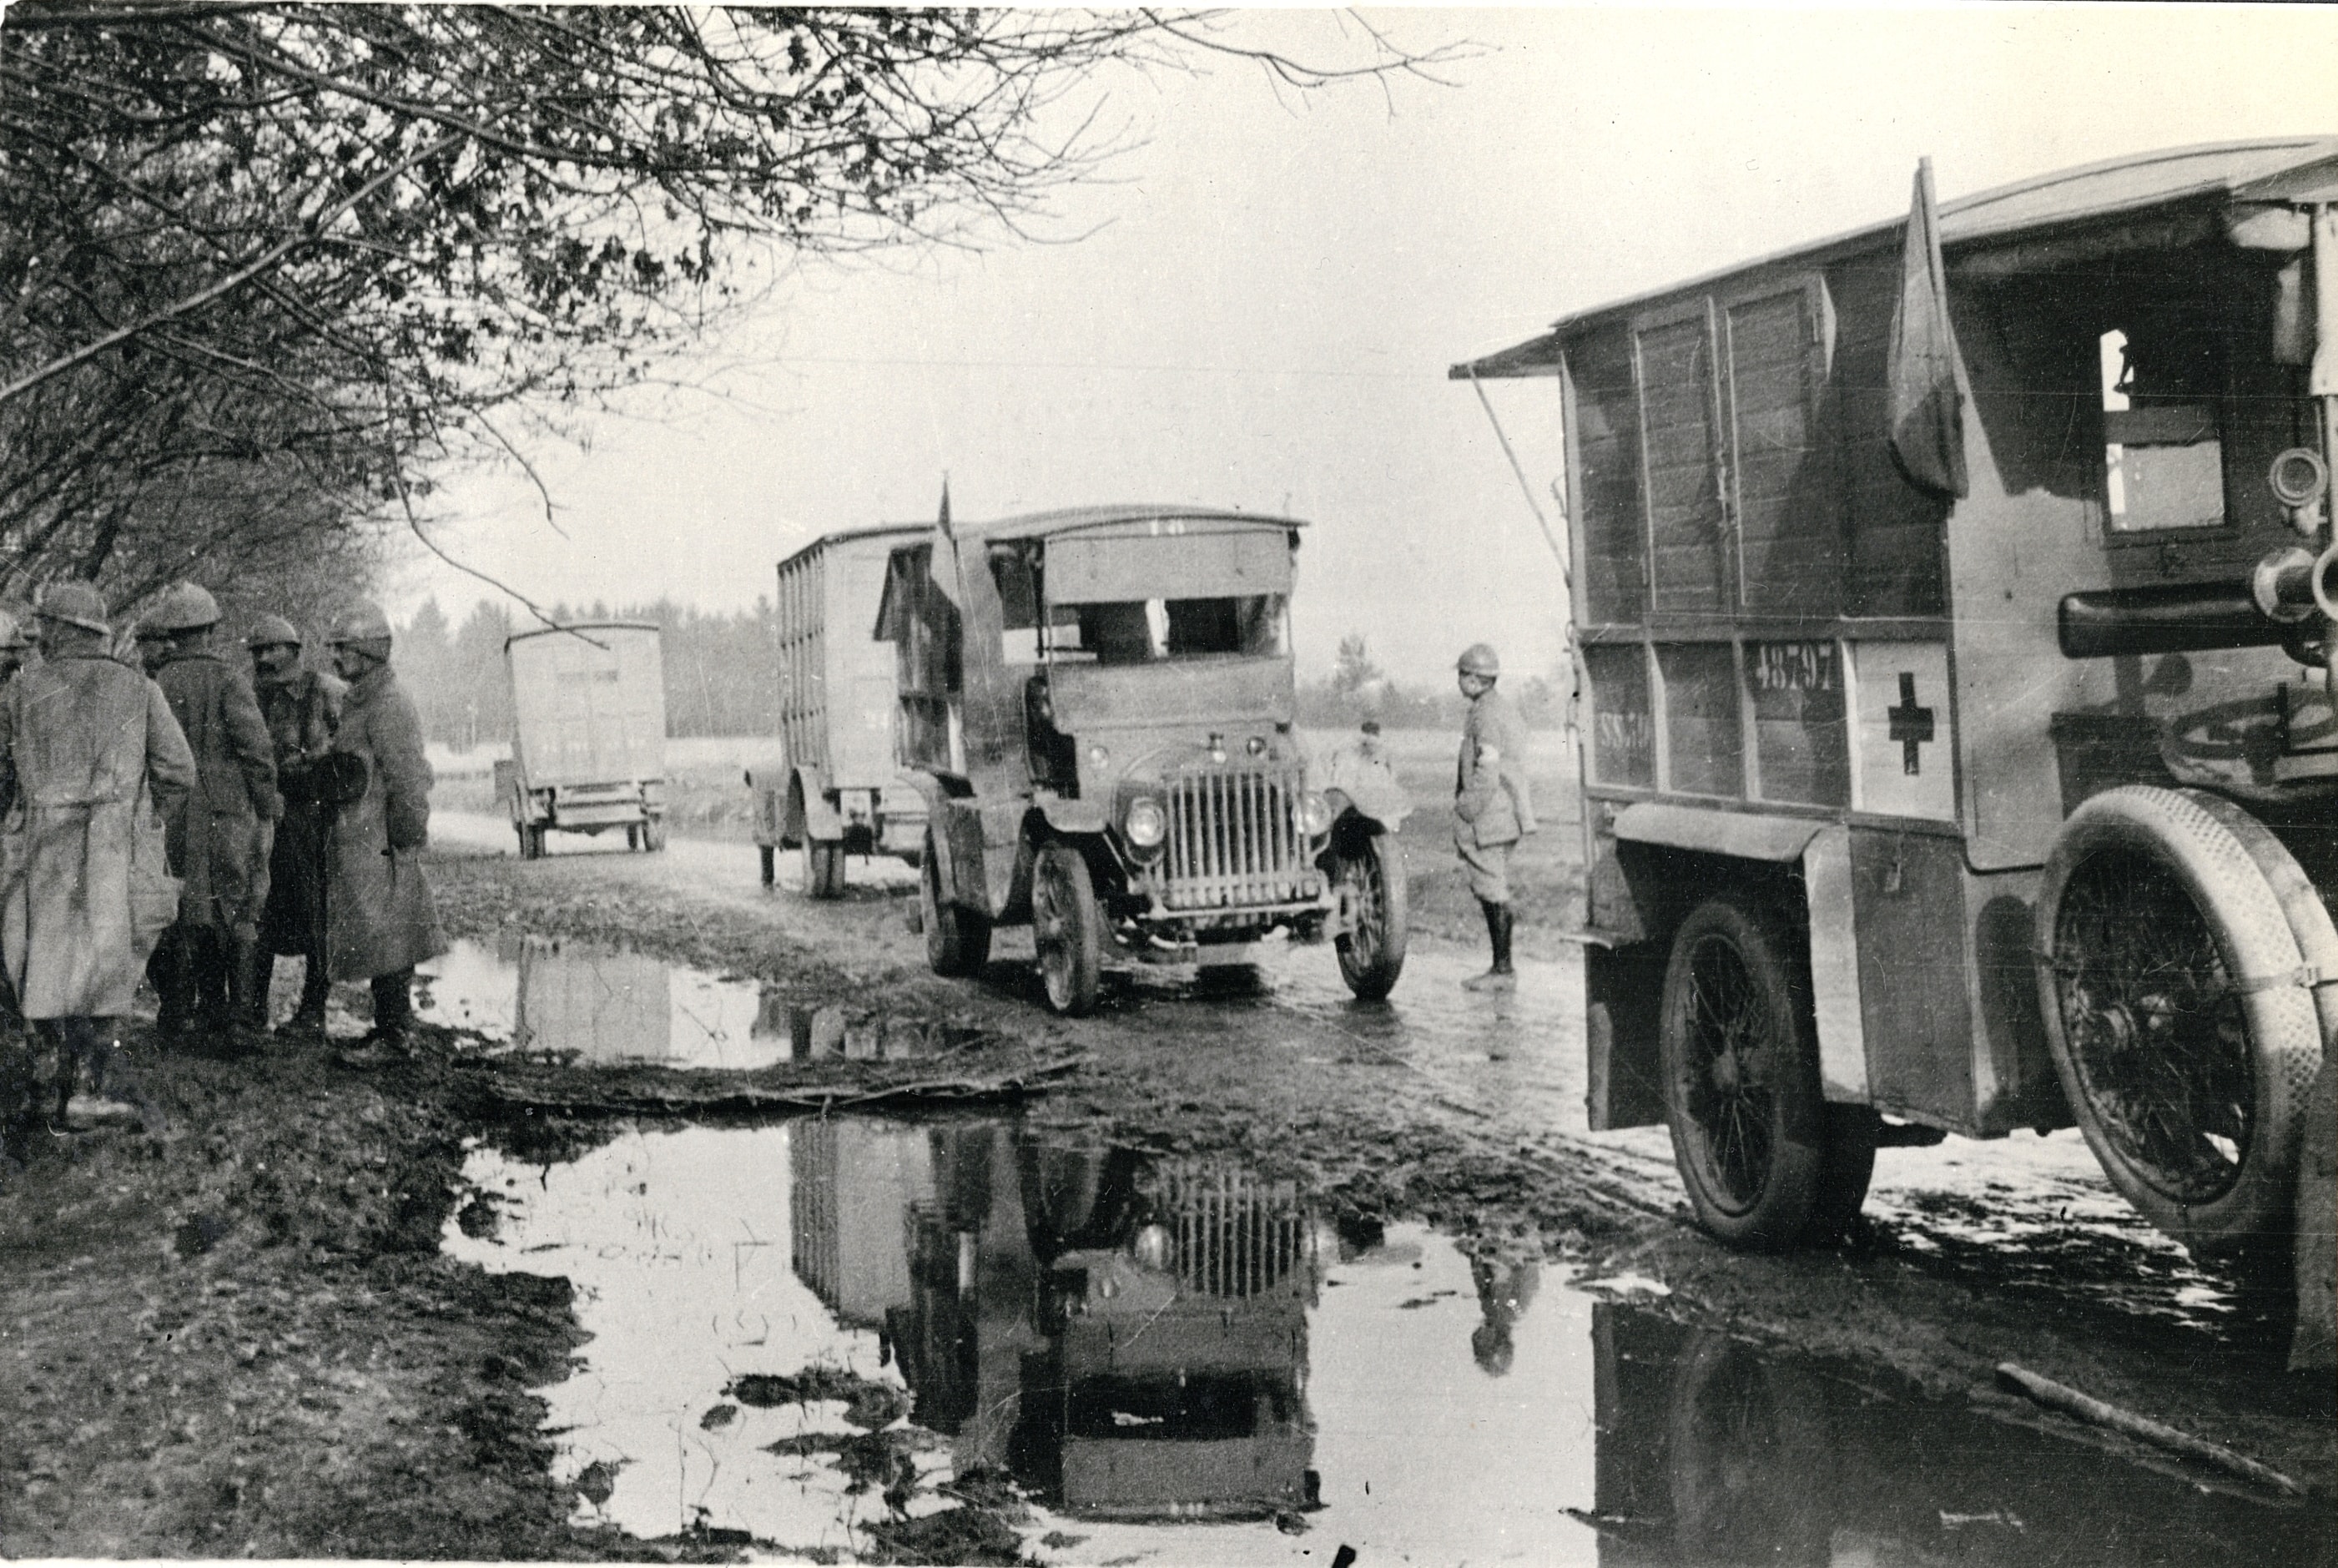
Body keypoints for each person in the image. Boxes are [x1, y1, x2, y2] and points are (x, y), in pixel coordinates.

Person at [0, 582, 197, 1145]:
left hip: (36, 843)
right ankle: (86, 1091)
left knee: (36, 956)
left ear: (61, 630)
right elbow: (178, 770)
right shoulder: (139, 688)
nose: (38, 638)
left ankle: (42, 1089)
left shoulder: (18, 692)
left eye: (45, 628)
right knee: (107, 963)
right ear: (98, 632)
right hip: (112, 845)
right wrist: (138, 815)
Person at [145, 582, 281, 1051]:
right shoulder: (229, 679)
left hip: (177, 814)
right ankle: (240, 1021)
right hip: (229, 812)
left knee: (184, 910)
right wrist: (268, 808)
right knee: (238, 907)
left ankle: (189, 1014)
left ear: (173, 633)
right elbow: (257, 752)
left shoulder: (159, 682)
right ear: (209, 629)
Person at [325, 599, 445, 1055]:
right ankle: (389, 1026)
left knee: (391, 933)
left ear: (371, 652)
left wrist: (404, 838)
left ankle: (396, 1035)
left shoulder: (389, 704)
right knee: (380, 933)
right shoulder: (365, 700)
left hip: (383, 841)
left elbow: (409, 780)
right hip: (364, 838)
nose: (335, 659)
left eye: (344, 649)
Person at [247, 614, 344, 1036]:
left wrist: (313, 768)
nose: (265, 658)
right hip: (265, 816)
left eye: (274, 649)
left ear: (296, 651)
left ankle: (313, 1011)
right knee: (259, 912)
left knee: (316, 914)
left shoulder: (326, 691)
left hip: (312, 818)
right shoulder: (249, 695)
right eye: (258, 651)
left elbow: (349, 752)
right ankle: (252, 1012)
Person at [1453, 643, 1535, 991]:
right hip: (1506, 809)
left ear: (1474, 679)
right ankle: (1502, 968)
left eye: (1462, 675)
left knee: (1492, 889)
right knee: (1494, 887)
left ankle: (1502, 971)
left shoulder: (1484, 715)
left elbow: (1486, 771)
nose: (1459, 681)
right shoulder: (1501, 708)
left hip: (1490, 814)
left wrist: (1466, 809)